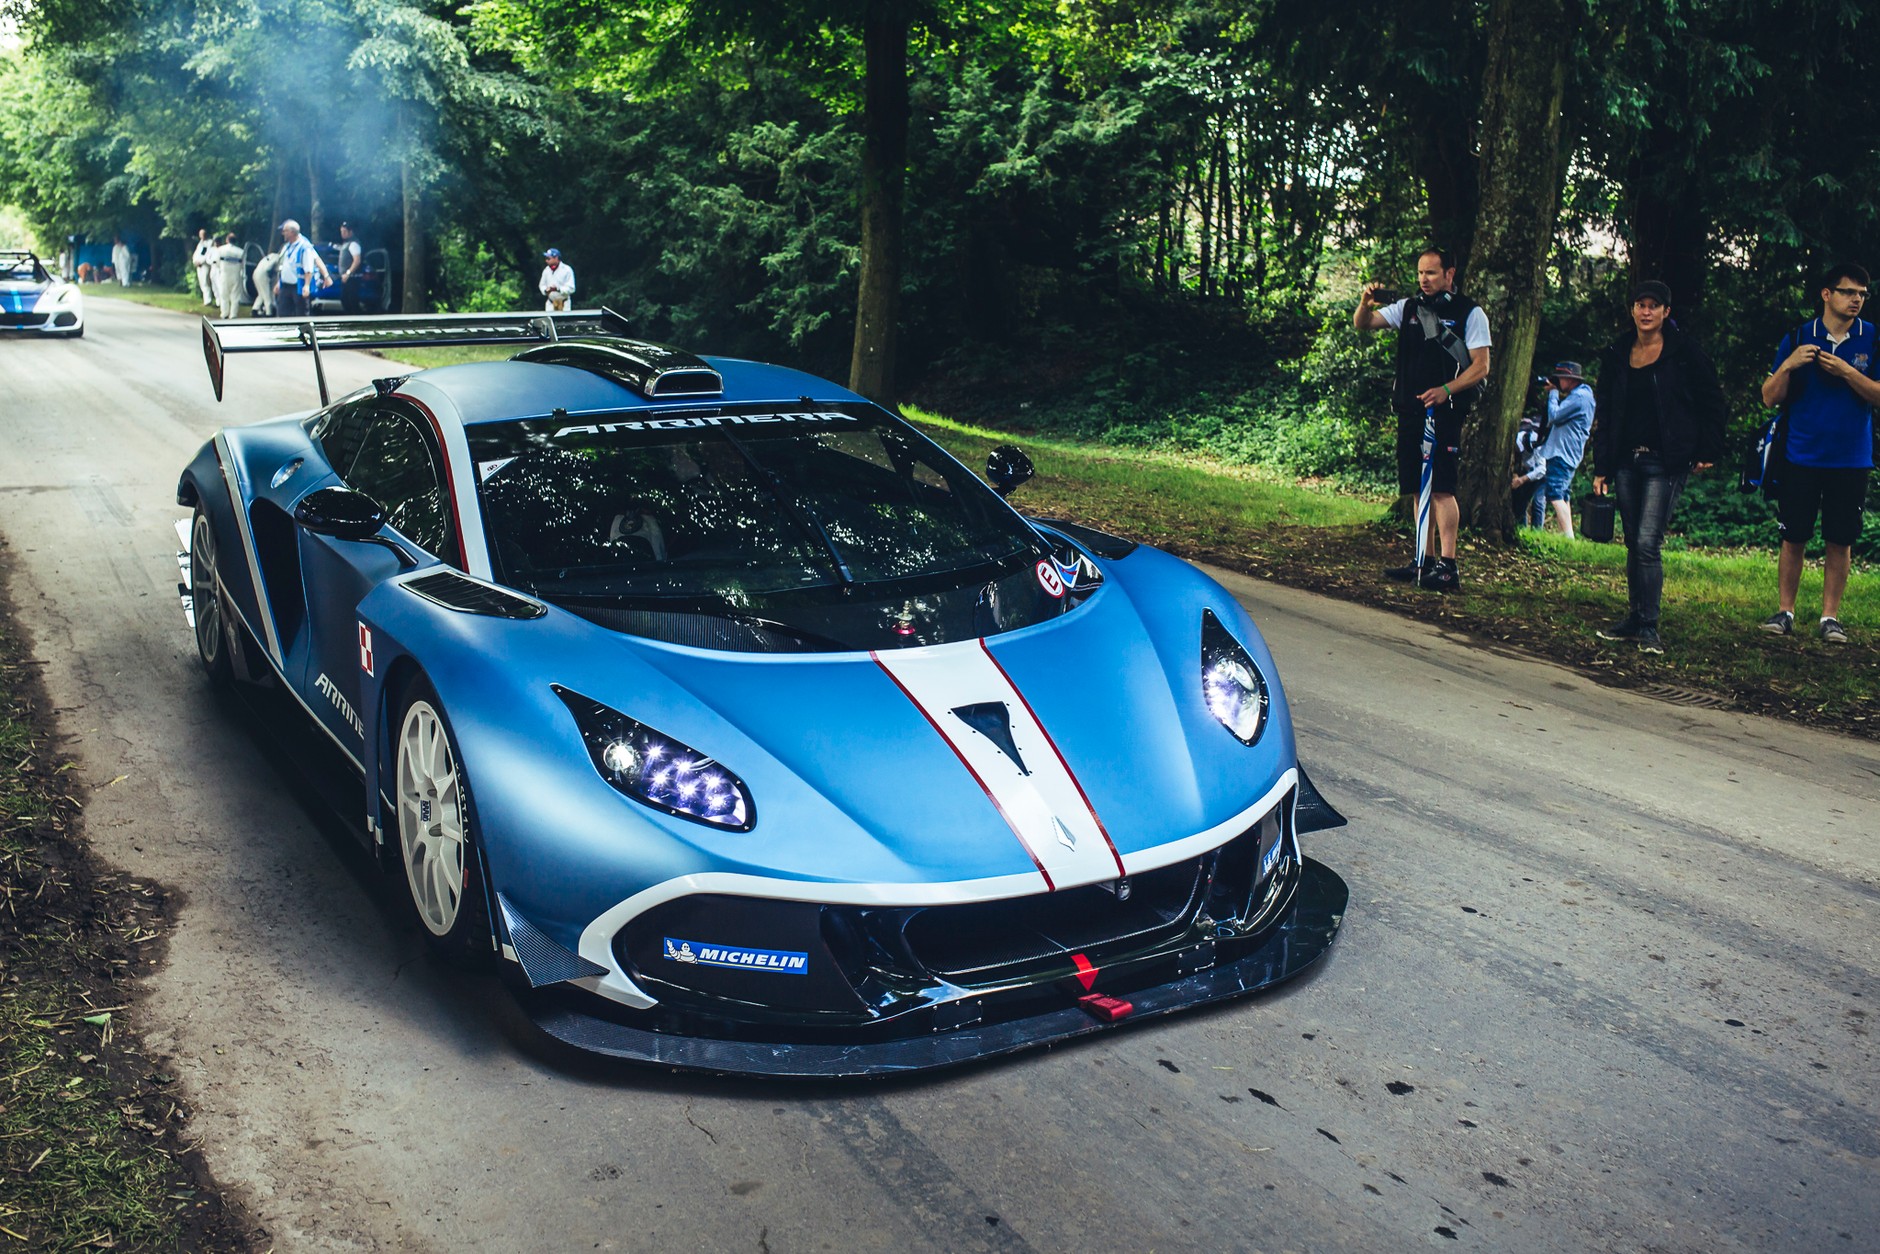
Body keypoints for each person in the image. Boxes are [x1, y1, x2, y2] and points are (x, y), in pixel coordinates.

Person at [1590, 281, 1727, 654]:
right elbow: (1605, 410)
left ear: (1667, 312)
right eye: (1640, 305)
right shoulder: (1618, 352)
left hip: (1665, 461)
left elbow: (1712, 400)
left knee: (1649, 542)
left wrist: (1708, 448)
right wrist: (1601, 464)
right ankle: (1634, 617)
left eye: (1654, 306)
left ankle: (1650, 625)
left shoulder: (1684, 353)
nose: (1646, 312)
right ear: (1632, 310)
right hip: (1625, 459)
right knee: (1634, 542)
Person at [1355, 247, 1493, 591]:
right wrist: (1365, 303)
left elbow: (1481, 366)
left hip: (1444, 414)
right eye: (1420, 273)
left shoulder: (1470, 312)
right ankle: (1423, 560)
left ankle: (1449, 566)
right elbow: (1365, 324)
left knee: (1442, 489)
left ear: (1450, 274)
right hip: (1410, 410)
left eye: (1431, 273)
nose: (1424, 280)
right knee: (1418, 487)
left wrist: (1447, 389)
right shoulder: (1409, 307)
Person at [1756, 263, 1879, 644]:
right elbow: (1768, 397)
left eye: (1862, 293)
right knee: (1794, 536)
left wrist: (1846, 372)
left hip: (1851, 458)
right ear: (1827, 294)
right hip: (1801, 455)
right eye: (1848, 291)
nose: (1856, 299)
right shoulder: (1798, 337)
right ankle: (1785, 612)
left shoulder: (1872, 338)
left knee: (1840, 540)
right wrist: (1789, 365)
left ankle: (1830, 618)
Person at [1537, 361, 1595, 538]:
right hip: (1568, 451)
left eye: (1561, 378)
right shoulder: (1582, 395)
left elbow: (1554, 415)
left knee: (1554, 493)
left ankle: (1569, 537)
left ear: (1571, 379)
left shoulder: (1579, 397)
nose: (1559, 382)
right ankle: (1566, 536)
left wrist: (1553, 393)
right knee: (1563, 494)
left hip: (1562, 452)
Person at [272, 219, 329, 318]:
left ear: (292, 232)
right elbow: (286, 266)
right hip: (285, 286)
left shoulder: (304, 247)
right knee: (282, 313)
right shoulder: (287, 246)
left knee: (301, 314)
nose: (283, 233)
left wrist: (306, 286)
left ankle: (303, 333)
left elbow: (309, 269)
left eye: (285, 231)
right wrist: (279, 283)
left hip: (298, 286)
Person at [1510, 414, 1547, 528]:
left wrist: (1521, 480)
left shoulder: (1538, 443)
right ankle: (1522, 529)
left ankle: (1537, 532)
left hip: (1541, 473)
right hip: (1524, 471)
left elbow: (1542, 469)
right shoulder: (1516, 440)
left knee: (1538, 502)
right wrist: (1515, 475)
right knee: (1521, 503)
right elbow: (1514, 460)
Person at [214, 232, 246, 319]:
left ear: (227, 240)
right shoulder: (241, 251)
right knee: (235, 295)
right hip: (236, 275)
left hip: (224, 274)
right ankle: (233, 314)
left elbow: (217, 263)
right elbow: (243, 265)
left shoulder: (220, 249)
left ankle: (224, 313)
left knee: (224, 295)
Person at [335, 221, 364, 314]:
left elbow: (357, 261)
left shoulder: (354, 244)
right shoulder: (345, 244)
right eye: (341, 231)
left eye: (344, 231)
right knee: (345, 300)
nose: (342, 234)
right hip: (346, 279)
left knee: (352, 301)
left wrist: (348, 273)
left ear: (350, 232)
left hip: (352, 278)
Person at [539, 248, 576, 312]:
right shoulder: (546, 270)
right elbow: (542, 285)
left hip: (564, 304)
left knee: (564, 321)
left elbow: (571, 288)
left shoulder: (567, 270)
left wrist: (558, 289)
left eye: (548, 258)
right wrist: (546, 290)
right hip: (550, 304)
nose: (546, 261)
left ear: (556, 258)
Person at [192, 229, 216, 304]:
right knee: (202, 282)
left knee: (206, 282)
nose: (202, 235)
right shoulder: (200, 243)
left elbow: (207, 254)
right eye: (201, 234)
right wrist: (195, 261)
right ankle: (205, 299)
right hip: (199, 265)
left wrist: (200, 261)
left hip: (205, 265)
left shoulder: (209, 243)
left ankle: (208, 300)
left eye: (203, 234)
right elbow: (197, 254)